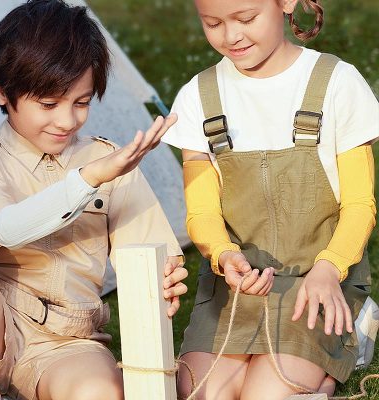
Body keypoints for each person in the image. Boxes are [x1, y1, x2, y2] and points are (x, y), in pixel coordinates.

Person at [162, 0, 379, 399]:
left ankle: (345, 341)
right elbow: (203, 212)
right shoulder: (198, 96)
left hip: (318, 283)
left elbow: (360, 206)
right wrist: (224, 255)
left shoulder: (337, 82)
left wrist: (329, 269)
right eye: (213, 23)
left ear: (285, 3)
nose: (231, 36)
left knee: (265, 394)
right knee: (199, 393)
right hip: (234, 290)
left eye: (246, 19)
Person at [0, 1, 188, 399]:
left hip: (66, 341)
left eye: (81, 102)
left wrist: (166, 275)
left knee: (100, 392)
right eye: (48, 104)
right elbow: (6, 228)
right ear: (0, 89)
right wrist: (89, 179)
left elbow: (150, 255)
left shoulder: (108, 161)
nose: (67, 120)